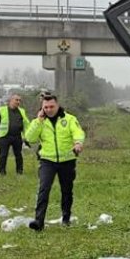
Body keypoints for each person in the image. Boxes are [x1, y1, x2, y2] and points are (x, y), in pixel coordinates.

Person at [24, 92, 85, 230]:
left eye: (51, 106)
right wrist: (38, 121)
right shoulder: (39, 121)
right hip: (48, 161)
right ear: (42, 108)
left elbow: (78, 132)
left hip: (67, 160)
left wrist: (78, 143)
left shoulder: (69, 119)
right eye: (46, 107)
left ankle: (66, 218)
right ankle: (38, 222)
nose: (49, 110)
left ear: (57, 105)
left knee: (67, 190)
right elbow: (30, 138)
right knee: (43, 189)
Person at [0, 94, 29, 176]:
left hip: (17, 136)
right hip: (5, 136)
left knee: (18, 155)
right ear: (11, 100)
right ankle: (2, 172)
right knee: (3, 155)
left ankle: (19, 172)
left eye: (19, 100)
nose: (18, 102)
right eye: (16, 100)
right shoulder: (2, 110)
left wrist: (27, 136)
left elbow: (26, 124)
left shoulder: (22, 111)